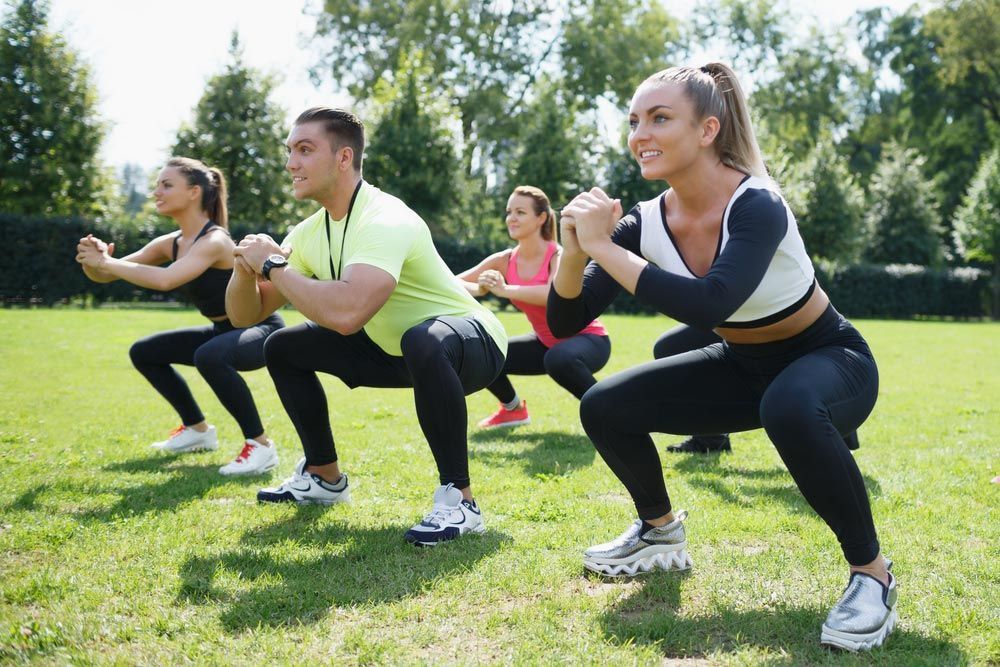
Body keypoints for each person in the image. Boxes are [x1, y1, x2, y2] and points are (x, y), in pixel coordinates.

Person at [549, 64, 896, 651]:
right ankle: (659, 534)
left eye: (660, 118)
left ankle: (873, 577)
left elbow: (713, 299)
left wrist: (605, 247)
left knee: (788, 405)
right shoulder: (642, 220)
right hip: (743, 365)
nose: (640, 134)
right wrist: (573, 249)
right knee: (605, 405)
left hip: (831, 357)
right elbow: (565, 320)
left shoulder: (757, 202)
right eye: (634, 121)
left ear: (708, 129)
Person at [225, 107, 508, 546]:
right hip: (395, 348)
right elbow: (245, 317)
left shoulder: (385, 217)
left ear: (343, 158)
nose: (291, 164)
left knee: (424, 340)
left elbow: (347, 314)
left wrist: (274, 264)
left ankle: (460, 503)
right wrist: (246, 270)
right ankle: (324, 477)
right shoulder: (307, 233)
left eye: (304, 150)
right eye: (290, 151)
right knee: (282, 346)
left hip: (473, 343)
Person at [75, 157, 284, 476]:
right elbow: (107, 276)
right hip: (222, 330)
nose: (157, 191)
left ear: (194, 192)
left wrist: (105, 263)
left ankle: (261, 446)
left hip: (261, 329)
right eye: (157, 184)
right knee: (145, 352)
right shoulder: (170, 243)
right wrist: (96, 260)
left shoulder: (214, 241)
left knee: (209, 356)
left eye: (166, 184)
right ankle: (197, 430)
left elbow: (166, 279)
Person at [458, 185, 610, 428]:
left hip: (588, 340)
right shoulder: (504, 259)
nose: (511, 218)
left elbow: (554, 294)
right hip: (545, 344)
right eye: (509, 212)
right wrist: (480, 288)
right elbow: (454, 283)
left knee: (558, 359)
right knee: (484, 354)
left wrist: (504, 290)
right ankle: (513, 410)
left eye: (520, 212)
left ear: (541, 218)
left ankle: (610, 413)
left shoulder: (557, 255)